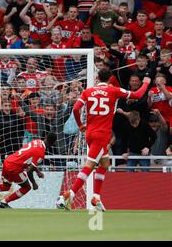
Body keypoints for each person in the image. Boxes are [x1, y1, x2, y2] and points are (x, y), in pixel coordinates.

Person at [57, 69, 151, 212]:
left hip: (90, 133)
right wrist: (145, 83)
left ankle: (96, 197)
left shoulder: (88, 91)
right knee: (90, 164)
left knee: (105, 163)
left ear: (97, 77)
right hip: (102, 134)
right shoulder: (114, 90)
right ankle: (68, 195)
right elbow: (137, 95)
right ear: (110, 78)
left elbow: (76, 109)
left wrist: (80, 125)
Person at [0, 133, 57, 208]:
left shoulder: (37, 141)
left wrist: (38, 171)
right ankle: (4, 202)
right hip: (15, 168)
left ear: (45, 137)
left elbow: (30, 158)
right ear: (53, 143)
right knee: (26, 187)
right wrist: (34, 183)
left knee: (5, 186)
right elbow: (29, 171)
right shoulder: (41, 153)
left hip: (8, 161)